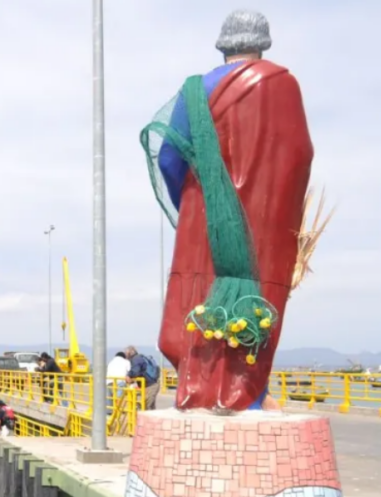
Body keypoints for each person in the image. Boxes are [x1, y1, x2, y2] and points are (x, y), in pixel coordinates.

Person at [146, 10, 313, 412]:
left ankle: (198, 391)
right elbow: (299, 155)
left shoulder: (193, 93)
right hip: (264, 224)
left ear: (222, 46)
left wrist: (190, 205)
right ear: (263, 44)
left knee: (196, 296)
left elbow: (169, 157)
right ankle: (248, 396)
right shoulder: (283, 85)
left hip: (202, 218)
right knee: (256, 299)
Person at [125, 346, 161, 411]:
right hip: (153, 384)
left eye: (126, 353)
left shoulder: (136, 359)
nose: (125, 356)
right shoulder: (140, 357)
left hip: (150, 385)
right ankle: (152, 420)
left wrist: (128, 375)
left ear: (129, 353)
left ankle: (149, 420)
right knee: (150, 407)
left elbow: (136, 371)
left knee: (147, 406)